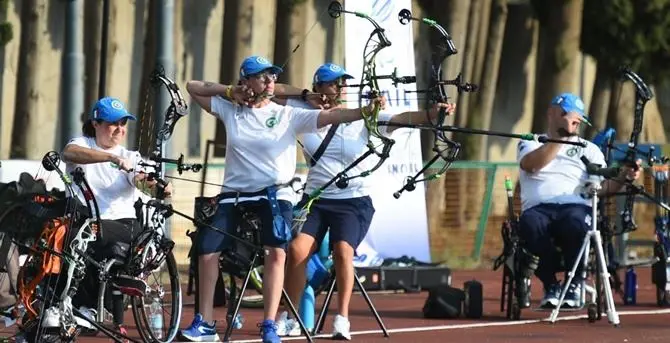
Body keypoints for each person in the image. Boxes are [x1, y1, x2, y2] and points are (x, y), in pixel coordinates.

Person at [179, 56, 388, 343]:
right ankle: (204, 324)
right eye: (262, 77)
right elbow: (193, 87)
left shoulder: (288, 114)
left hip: (274, 196)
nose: (269, 82)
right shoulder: (231, 110)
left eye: (272, 77)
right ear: (246, 81)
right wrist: (230, 92)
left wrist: (365, 110)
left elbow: (333, 116)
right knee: (207, 250)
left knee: (276, 251)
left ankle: (269, 324)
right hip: (234, 195)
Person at [270, 62, 455, 339]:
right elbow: (274, 91)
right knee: (297, 250)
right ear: (319, 85)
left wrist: (432, 113)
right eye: (333, 83)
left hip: (353, 202)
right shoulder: (304, 113)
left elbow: (405, 118)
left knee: (343, 251)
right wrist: (307, 95)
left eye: (343, 83)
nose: (341, 88)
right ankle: (291, 316)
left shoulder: (366, 115)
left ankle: (342, 318)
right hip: (317, 200)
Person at [516, 92, 641, 309]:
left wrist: (623, 178)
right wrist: (560, 138)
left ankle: (573, 286)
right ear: (551, 113)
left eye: (577, 118)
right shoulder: (531, 142)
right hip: (538, 209)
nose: (574, 121)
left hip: (575, 206)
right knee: (530, 224)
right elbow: (531, 165)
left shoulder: (589, 149)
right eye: (567, 114)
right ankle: (551, 285)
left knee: (577, 222)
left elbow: (602, 188)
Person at [61, 97, 172, 338]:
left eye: (123, 124)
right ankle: (65, 306)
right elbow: (69, 153)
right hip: (85, 221)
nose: (120, 129)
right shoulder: (83, 143)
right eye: (113, 124)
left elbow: (142, 181)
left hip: (124, 225)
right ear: (95, 123)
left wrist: (158, 188)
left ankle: (92, 307)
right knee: (69, 235)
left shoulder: (131, 156)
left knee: (93, 236)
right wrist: (110, 158)